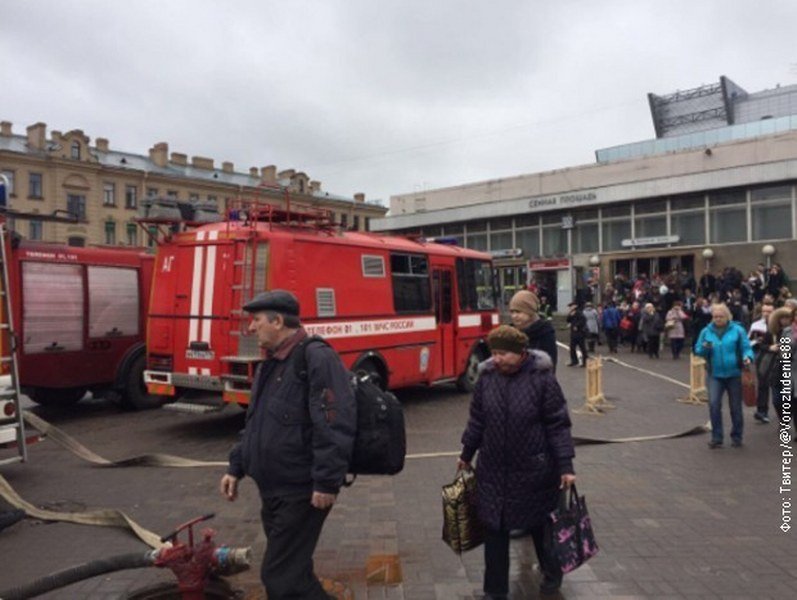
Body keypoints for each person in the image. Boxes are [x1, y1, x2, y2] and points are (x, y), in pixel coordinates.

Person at [220, 290, 356, 599]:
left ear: (278, 321)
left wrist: (325, 481)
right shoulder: (271, 363)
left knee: (281, 578)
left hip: (302, 491)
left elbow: (335, 423)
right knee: (294, 574)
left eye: (256, 320)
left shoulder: (317, 358)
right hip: (274, 491)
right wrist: (236, 466)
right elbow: (256, 423)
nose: (250, 328)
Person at [458, 326, 576, 598]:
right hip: (493, 470)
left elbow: (558, 424)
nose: (496, 359)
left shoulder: (542, 378)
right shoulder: (487, 378)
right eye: (494, 353)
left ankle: (552, 571)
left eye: (503, 353)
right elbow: (477, 420)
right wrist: (466, 454)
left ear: (520, 352)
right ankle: (494, 592)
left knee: (539, 525)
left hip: (534, 470)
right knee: (494, 531)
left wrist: (566, 466)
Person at [694, 303, 754, 449]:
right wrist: (704, 348)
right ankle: (717, 437)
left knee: (735, 407)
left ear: (727, 316)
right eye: (715, 316)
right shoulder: (706, 331)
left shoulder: (738, 330)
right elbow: (697, 350)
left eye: (721, 316)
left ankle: (737, 436)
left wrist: (748, 358)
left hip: (734, 373)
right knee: (714, 405)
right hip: (715, 374)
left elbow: (746, 348)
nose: (718, 319)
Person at [508, 290, 558, 372]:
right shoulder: (509, 333)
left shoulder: (544, 333)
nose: (514, 316)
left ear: (530, 312)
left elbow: (548, 367)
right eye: (512, 312)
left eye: (518, 312)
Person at [749, 303, 775, 423]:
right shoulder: (756, 325)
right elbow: (748, 341)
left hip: (778, 358)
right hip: (762, 356)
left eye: (769, 311)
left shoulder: (778, 326)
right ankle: (762, 411)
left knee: (778, 387)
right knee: (763, 384)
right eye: (764, 311)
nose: (766, 314)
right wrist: (756, 341)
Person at [566, 302, 588, 367]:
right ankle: (574, 361)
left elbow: (583, 320)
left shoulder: (579, 313)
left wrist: (577, 326)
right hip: (573, 334)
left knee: (582, 348)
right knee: (572, 348)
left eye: (571, 306)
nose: (570, 308)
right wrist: (570, 315)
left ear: (575, 306)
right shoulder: (571, 313)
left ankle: (585, 362)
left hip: (580, 333)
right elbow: (568, 320)